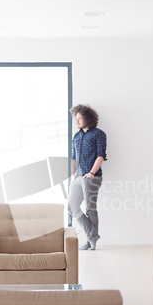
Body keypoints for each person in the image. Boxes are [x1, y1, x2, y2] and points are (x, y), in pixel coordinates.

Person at [68, 104, 107, 250]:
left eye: (80, 118)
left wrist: (91, 173)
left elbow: (101, 155)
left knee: (90, 208)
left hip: (92, 176)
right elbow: (73, 157)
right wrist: (72, 174)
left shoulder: (98, 134)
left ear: (87, 118)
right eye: (76, 118)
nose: (77, 121)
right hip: (77, 177)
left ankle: (91, 240)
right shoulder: (77, 136)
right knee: (71, 206)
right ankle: (92, 235)